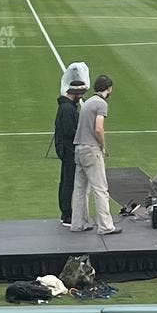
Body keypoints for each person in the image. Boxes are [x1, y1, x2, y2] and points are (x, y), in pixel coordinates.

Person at [70, 74, 120, 234]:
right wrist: (103, 146)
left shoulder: (88, 102)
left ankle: (78, 223)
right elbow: (98, 128)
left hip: (79, 149)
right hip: (91, 150)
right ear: (109, 88)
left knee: (80, 189)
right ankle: (105, 226)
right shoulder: (100, 104)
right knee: (100, 188)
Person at [54, 75, 87, 227]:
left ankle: (66, 212)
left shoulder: (66, 107)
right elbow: (69, 131)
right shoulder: (68, 109)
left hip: (66, 149)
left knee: (66, 182)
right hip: (69, 151)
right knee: (68, 183)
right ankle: (67, 214)